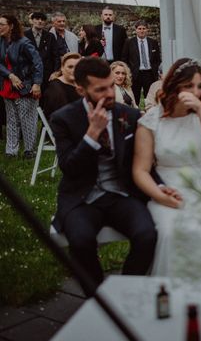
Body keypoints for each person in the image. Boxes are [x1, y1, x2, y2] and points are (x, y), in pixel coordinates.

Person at [50, 57, 157, 288]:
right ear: (81, 89)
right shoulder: (63, 119)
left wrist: (159, 186)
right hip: (82, 198)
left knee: (147, 235)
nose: (109, 93)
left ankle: (126, 290)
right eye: (100, 89)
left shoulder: (130, 115)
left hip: (121, 194)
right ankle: (97, 297)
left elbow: (144, 162)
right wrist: (92, 135)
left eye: (111, 85)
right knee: (80, 241)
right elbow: (69, 167)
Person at [132, 58, 201, 278]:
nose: (195, 92)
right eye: (188, 86)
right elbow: (140, 170)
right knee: (170, 231)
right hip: (169, 188)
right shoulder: (151, 120)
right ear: (174, 85)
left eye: (199, 87)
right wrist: (160, 195)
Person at [0, 14, 43, 158]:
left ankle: (29, 151)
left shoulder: (24, 42)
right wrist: (10, 75)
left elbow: (38, 63)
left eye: (2, 24)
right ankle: (11, 151)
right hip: (8, 85)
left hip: (26, 85)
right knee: (11, 119)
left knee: (28, 120)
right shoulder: (0, 41)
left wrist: (37, 84)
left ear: (11, 26)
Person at [121, 20, 161, 105]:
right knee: (135, 97)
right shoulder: (129, 42)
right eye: (139, 28)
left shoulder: (153, 42)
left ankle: (150, 114)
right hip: (135, 74)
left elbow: (157, 59)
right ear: (136, 30)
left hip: (149, 74)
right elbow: (124, 58)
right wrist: (129, 71)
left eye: (144, 28)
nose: (142, 31)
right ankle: (135, 114)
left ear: (147, 30)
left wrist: (155, 69)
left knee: (150, 97)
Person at [25, 12, 57, 93]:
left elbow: (56, 56)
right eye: (37, 19)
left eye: (42, 19)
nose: (40, 21)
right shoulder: (24, 35)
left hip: (47, 76)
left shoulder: (50, 36)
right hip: (28, 75)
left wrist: (55, 72)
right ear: (31, 21)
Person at [43, 52, 82, 119]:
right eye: (70, 67)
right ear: (62, 68)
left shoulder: (81, 84)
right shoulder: (55, 88)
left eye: (77, 67)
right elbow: (62, 115)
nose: (74, 70)